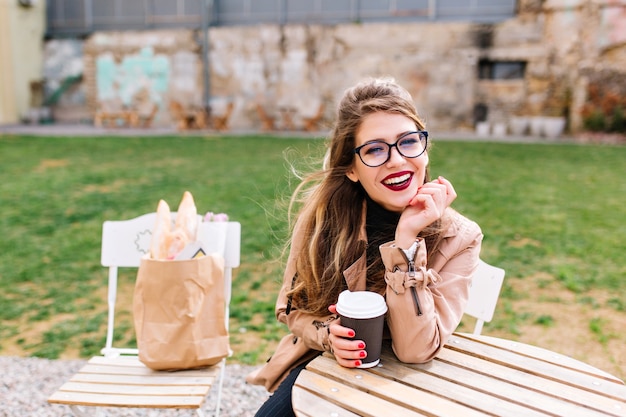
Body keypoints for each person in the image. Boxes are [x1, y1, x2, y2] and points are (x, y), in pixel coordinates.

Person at [246, 77, 483, 416]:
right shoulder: (323, 220)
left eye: (408, 141)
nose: (397, 160)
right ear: (352, 169)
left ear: (424, 148)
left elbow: (415, 350)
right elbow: (291, 307)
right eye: (374, 149)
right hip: (327, 367)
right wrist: (330, 335)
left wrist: (405, 243)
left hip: (412, 385)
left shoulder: (459, 237)